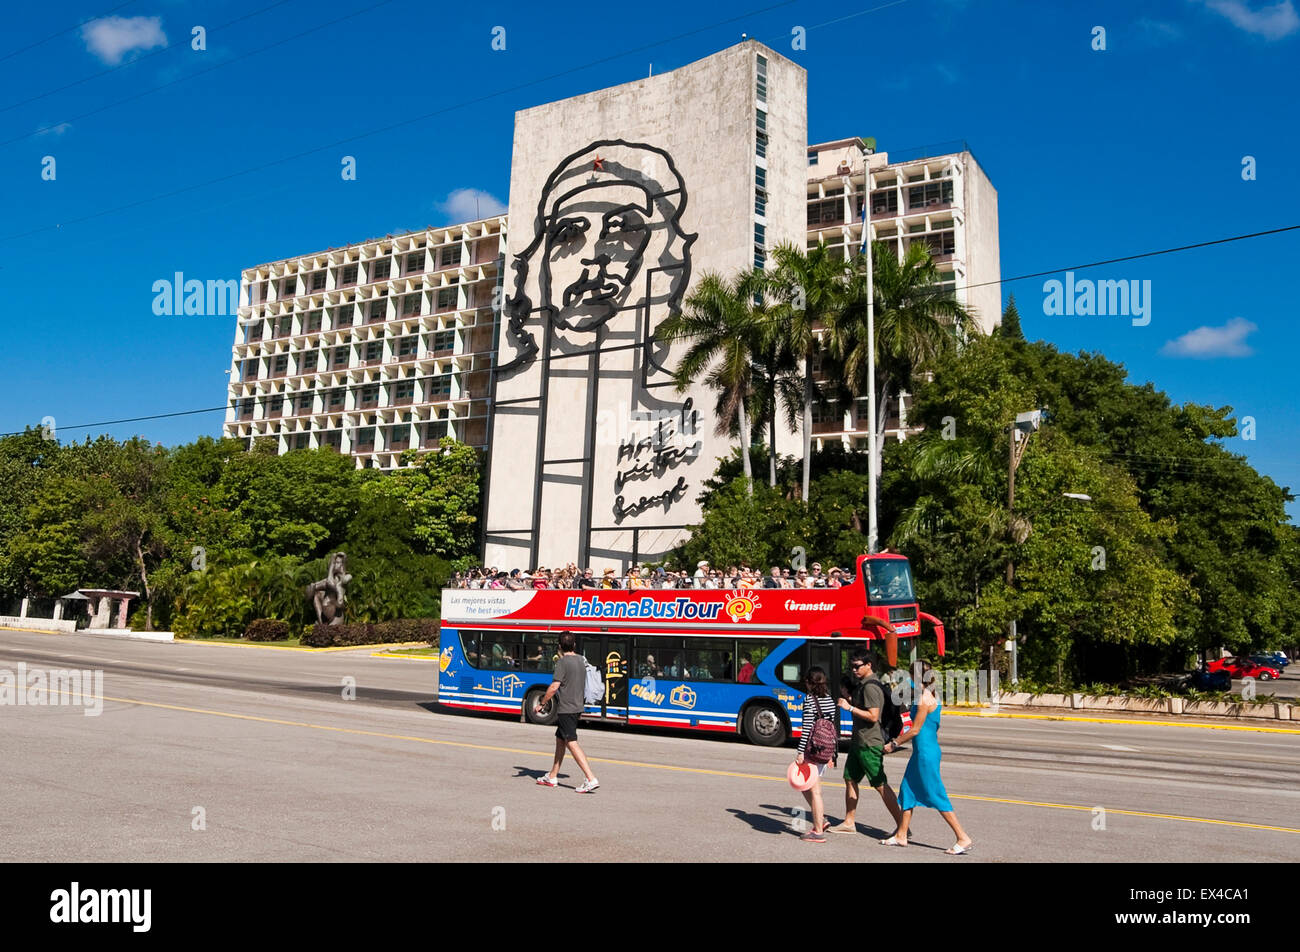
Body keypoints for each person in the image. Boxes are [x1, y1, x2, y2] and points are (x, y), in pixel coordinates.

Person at [882, 660, 973, 854]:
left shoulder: (924, 698)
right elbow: (933, 725)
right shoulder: (933, 694)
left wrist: (894, 743)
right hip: (924, 751)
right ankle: (901, 835)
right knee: (907, 790)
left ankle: (962, 837)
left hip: (925, 754)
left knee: (935, 794)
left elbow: (915, 730)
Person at [829, 649, 903, 835]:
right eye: (851, 666)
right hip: (858, 742)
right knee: (850, 779)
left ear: (868, 665)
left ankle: (903, 826)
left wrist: (849, 707)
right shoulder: (864, 684)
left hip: (870, 743)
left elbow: (873, 716)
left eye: (857, 666)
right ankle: (849, 821)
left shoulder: (871, 686)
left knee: (880, 785)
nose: (854, 670)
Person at [535, 630, 600, 793]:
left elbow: (554, 687)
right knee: (560, 739)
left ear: (559, 646)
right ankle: (553, 776)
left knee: (571, 742)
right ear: (574, 645)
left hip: (566, 708)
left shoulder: (562, 662)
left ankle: (590, 778)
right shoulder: (581, 660)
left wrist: (542, 703)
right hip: (577, 706)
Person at [793, 666, 837, 842]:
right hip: (825, 749)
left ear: (809, 683)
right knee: (803, 784)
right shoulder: (830, 699)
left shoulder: (810, 700)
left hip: (812, 749)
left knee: (814, 790)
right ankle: (821, 820)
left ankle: (818, 830)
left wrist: (800, 752)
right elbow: (833, 728)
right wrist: (833, 755)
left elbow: (807, 729)